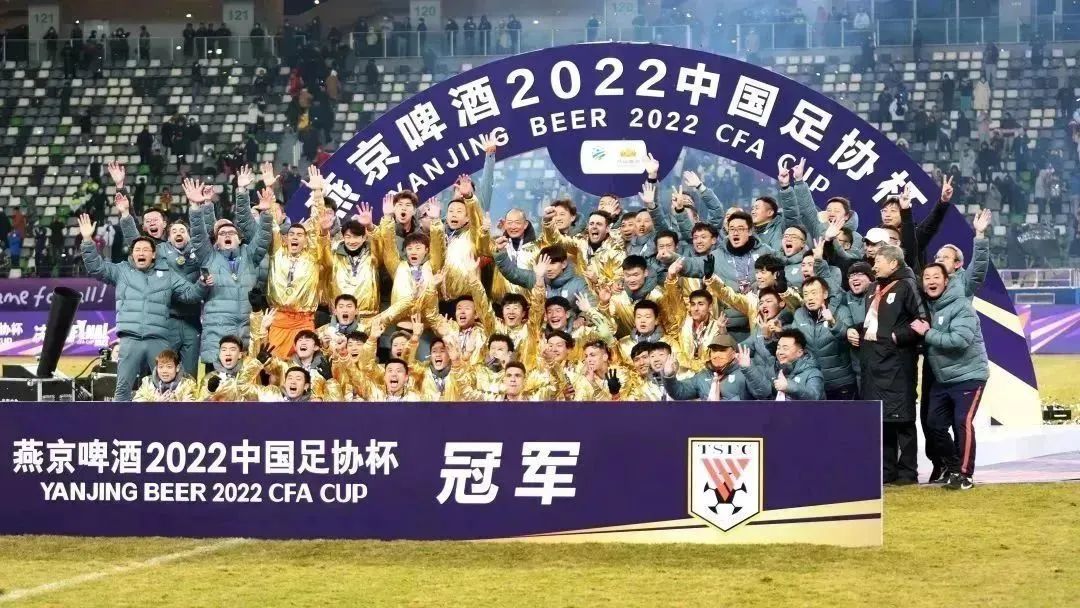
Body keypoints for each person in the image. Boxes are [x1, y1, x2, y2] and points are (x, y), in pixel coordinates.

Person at [78, 214, 207, 401]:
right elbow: (96, 268)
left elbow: (190, 294)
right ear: (132, 254)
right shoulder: (122, 271)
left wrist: (202, 283)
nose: (141, 253)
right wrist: (87, 240)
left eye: (146, 249)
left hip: (158, 340)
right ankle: (120, 421)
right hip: (130, 340)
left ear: (153, 254)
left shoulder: (167, 274)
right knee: (123, 389)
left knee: (168, 390)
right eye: (137, 249)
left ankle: (169, 421)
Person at [850, 244, 925, 485]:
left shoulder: (908, 285)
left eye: (878, 262)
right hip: (872, 364)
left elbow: (922, 321)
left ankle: (908, 472)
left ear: (893, 263)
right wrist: (855, 330)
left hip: (897, 364)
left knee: (903, 421)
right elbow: (873, 322)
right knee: (882, 421)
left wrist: (896, 337)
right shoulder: (873, 288)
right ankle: (887, 470)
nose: (874, 266)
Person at [912, 263, 988, 490]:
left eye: (936, 277)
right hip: (943, 378)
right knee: (934, 425)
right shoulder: (926, 308)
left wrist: (927, 333)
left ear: (946, 281)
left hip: (969, 376)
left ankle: (965, 475)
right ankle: (953, 468)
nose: (931, 281)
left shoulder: (962, 306)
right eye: (927, 277)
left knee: (962, 422)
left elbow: (959, 341)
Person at [132, 349, 198, 402]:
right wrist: (155, 404)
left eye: (169, 367)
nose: (164, 371)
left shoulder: (188, 384)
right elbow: (136, 405)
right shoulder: (147, 383)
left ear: (177, 368)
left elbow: (194, 408)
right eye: (161, 367)